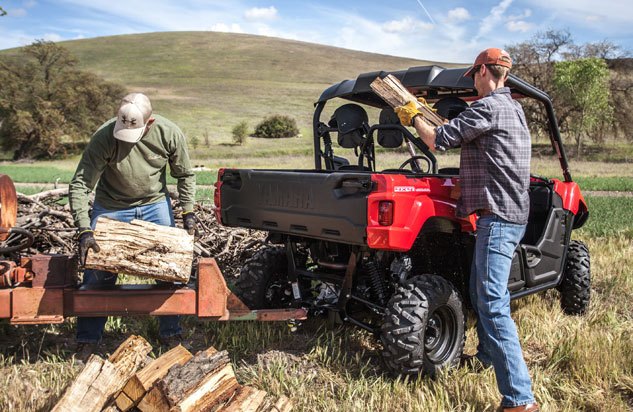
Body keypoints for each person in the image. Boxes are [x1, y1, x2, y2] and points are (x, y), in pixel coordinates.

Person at [394, 48, 538, 412]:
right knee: (484, 291)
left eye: (474, 76)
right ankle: (489, 357)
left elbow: (437, 140)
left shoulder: (487, 108)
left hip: (498, 219)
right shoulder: (514, 110)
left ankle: (520, 399)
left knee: (491, 304)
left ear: (485, 72)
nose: (473, 83)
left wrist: (413, 115)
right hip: (512, 214)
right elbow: (493, 158)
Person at [69, 92, 196, 356]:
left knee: (168, 270)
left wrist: (188, 212)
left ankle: (170, 334)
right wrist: (84, 228)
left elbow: (184, 174)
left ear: (149, 123)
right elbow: (81, 183)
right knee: (97, 272)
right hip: (112, 206)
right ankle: (88, 340)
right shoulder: (105, 136)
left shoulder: (169, 133)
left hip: (154, 204)